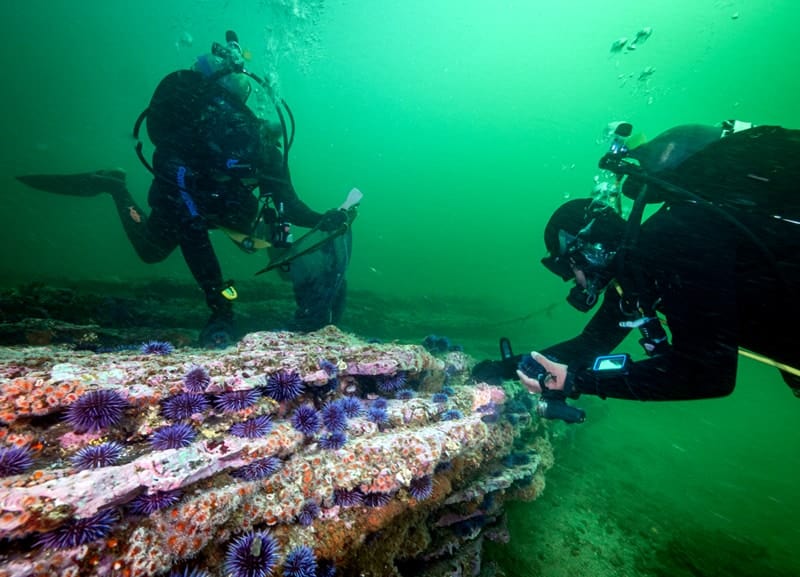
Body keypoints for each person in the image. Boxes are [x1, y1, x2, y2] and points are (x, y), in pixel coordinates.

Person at [16, 31, 351, 347]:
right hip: (180, 201)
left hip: (226, 205)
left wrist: (325, 218)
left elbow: (290, 204)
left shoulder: (263, 148)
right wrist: (220, 304)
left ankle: (256, 238)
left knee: (263, 245)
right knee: (151, 251)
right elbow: (192, 231)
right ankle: (115, 187)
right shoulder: (181, 145)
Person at [475, 121, 800, 410]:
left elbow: (706, 375)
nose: (574, 282)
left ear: (588, 250)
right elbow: (590, 345)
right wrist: (503, 370)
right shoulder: (636, 278)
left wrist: (577, 382)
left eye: (568, 270)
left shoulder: (675, 243)